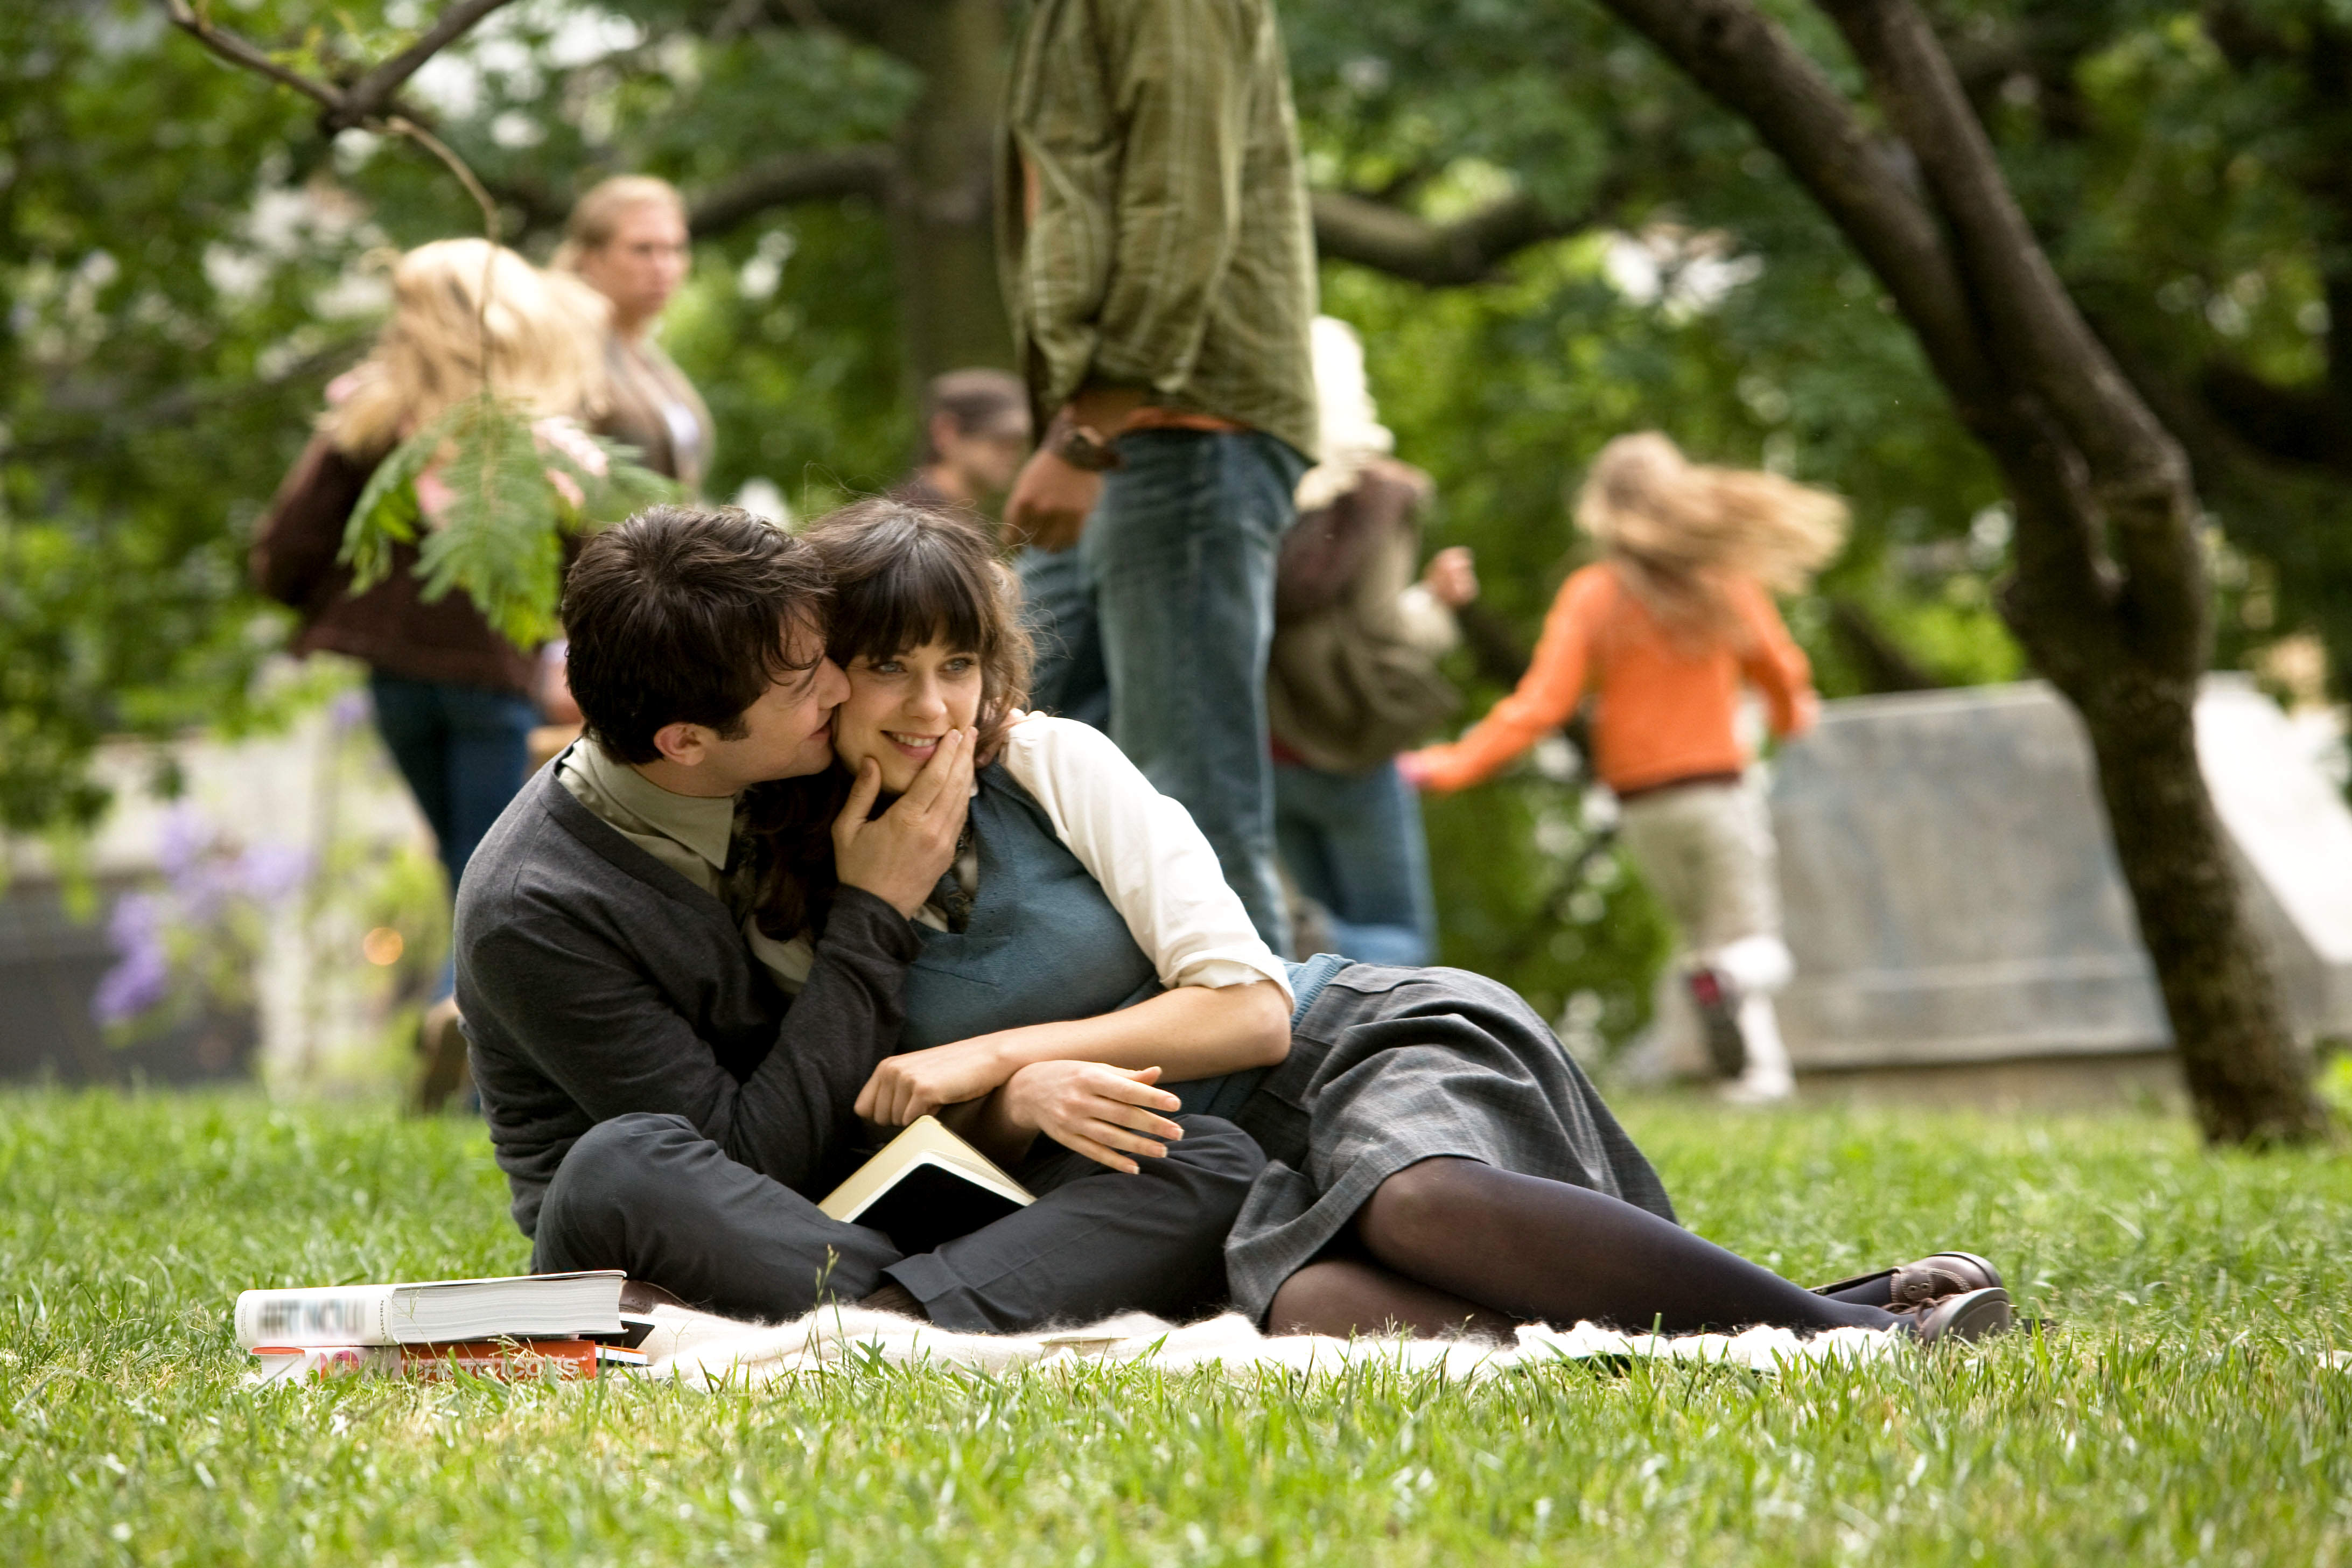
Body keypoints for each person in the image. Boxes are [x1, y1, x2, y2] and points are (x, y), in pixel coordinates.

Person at [756, 500, 2011, 1346]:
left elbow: (1249, 1011)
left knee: (1415, 1203)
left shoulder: (1050, 762)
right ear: (825, 677)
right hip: (1210, 1181)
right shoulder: (793, 881)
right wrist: (1013, 1096)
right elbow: (871, 1118)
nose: (931, 706)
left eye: (957, 665)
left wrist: (993, 1058)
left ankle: (1857, 1340)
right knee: (1318, 1315)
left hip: (1338, 1050)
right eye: (889, 668)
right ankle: (1824, 1311)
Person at [452, 506, 1265, 1332]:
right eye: (807, 686)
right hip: (723, 1223)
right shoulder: (534, 909)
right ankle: (934, 1313)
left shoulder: (780, 776)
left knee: (1207, 1160)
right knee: (619, 1166)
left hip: (895, 1201)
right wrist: (875, 909)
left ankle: (892, 1322)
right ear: (687, 742)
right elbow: (748, 1160)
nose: (840, 689)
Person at [250, 239, 611, 1102]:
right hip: (490, 681)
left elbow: (286, 549)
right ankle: (475, 1033)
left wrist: (327, 595)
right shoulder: (540, 443)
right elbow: (594, 568)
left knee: (461, 850)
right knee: (486, 858)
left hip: (394, 679)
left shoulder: (369, 424)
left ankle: (464, 1027)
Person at [996, 0, 1320, 951]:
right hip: (1127, 420)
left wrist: (1088, 432)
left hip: (1179, 423)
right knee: (998, 736)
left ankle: (1286, 1083)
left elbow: (1180, 208)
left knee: (1193, 807)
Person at [1402, 433, 1845, 1105]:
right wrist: (1789, 716)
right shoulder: (1725, 583)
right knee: (1751, 946)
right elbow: (1779, 667)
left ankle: (1758, 1079)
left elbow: (1540, 703)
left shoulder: (1594, 593)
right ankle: (1733, 996)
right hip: (1717, 794)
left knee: (1704, 939)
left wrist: (1453, 763)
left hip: (1643, 806)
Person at [1268, 317, 1476, 965]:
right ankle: (1304, 936)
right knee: (1403, 943)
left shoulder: (1254, 488)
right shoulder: (1377, 498)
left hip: (1269, 749)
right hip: (1352, 748)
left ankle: (1306, 939)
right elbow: (1382, 631)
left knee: (1333, 955)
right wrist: (1438, 605)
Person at [552, 176, 713, 494]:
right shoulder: (560, 347)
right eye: (643, 249)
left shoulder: (643, 351)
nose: (663, 267)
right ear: (590, 258)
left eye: (675, 249)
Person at [890, 369, 1034, 516]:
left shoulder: (954, 512)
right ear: (946, 432)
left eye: (1018, 440)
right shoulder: (913, 520)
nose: (1012, 450)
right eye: (1000, 438)